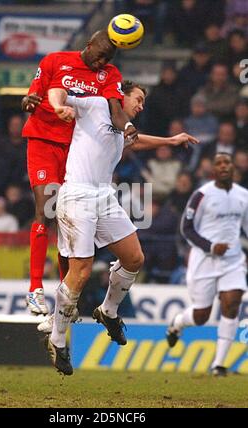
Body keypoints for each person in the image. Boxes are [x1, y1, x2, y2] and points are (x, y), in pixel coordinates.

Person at [40, 81, 198, 375]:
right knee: (82, 272)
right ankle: (58, 338)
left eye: (142, 103)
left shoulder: (124, 129)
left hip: (104, 196)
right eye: (137, 99)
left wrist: (171, 140)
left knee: (134, 258)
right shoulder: (97, 104)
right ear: (121, 96)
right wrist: (59, 105)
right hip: (77, 195)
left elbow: (136, 141)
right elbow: (58, 90)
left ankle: (108, 311)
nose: (140, 106)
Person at [21, 30, 138, 316]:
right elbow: (32, 97)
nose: (101, 62)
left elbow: (114, 109)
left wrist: (127, 127)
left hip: (74, 150)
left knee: (66, 220)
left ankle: (65, 290)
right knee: (46, 209)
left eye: (107, 58)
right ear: (89, 44)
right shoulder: (55, 61)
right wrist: (30, 103)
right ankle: (35, 289)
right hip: (44, 141)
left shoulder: (110, 74)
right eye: (99, 55)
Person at [166, 153, 248, 377]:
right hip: (205, 260)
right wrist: (210, 246)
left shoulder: (244, 196)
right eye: (219, 163)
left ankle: (219, 365)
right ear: (213, 169)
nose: (223, 166)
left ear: (233, 168)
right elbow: (186, 228)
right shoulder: (201, 195)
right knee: (202, 316)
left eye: (227, 162)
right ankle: (178, 323)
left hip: (233, 261)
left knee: (232, 304)